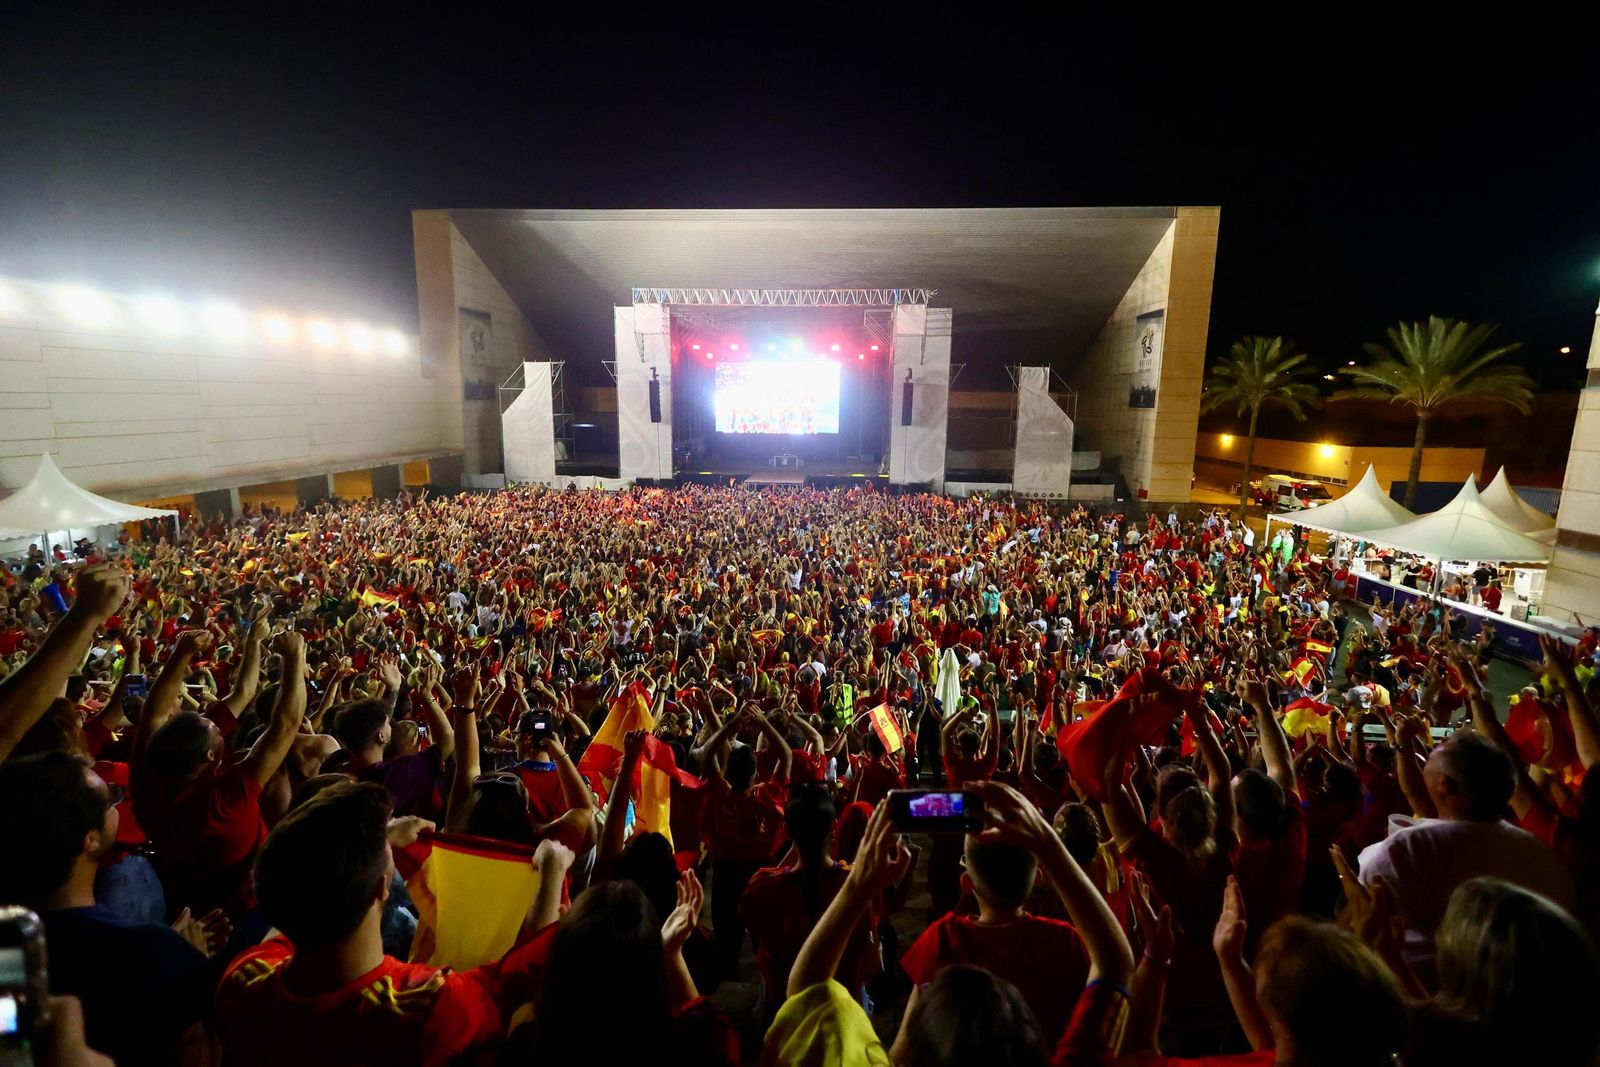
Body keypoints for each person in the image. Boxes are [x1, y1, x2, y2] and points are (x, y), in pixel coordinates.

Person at [763, 783, 1134, 1066]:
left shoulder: (946, 939)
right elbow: (1115, 961)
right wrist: (1049, 846)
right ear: (1037, 876)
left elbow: (807, 989)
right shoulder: (1064, 942)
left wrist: (859, 883)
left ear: (967, 884)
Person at [215, 780, 560, 1065]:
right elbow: (518, 979)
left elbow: (292, 907)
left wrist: (383, 846)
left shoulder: (243, 980)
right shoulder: (424, 1008)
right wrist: (551, 873)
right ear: (382, 888)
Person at [0, 750, 226, 1065]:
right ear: (89, 839)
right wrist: (185, 964)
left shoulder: (13, 945)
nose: (118, 802)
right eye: (110, 799)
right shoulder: (159, 955)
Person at [1356, 727, 1575, 978]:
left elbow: (1365, 912)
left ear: (1444, 785)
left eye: (1431, 758)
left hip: (1423, 999)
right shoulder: (1539, 852)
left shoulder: (1408, 848)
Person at [132, 630, 307, 924]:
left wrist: (183, 651)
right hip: (244, 915)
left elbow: (153, 715)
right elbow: (287, 725)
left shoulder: (148, 782)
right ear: (211, 756)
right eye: (214, 731)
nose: (217, 726)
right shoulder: (226, 800)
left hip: (182, 911)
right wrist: (294, 658)